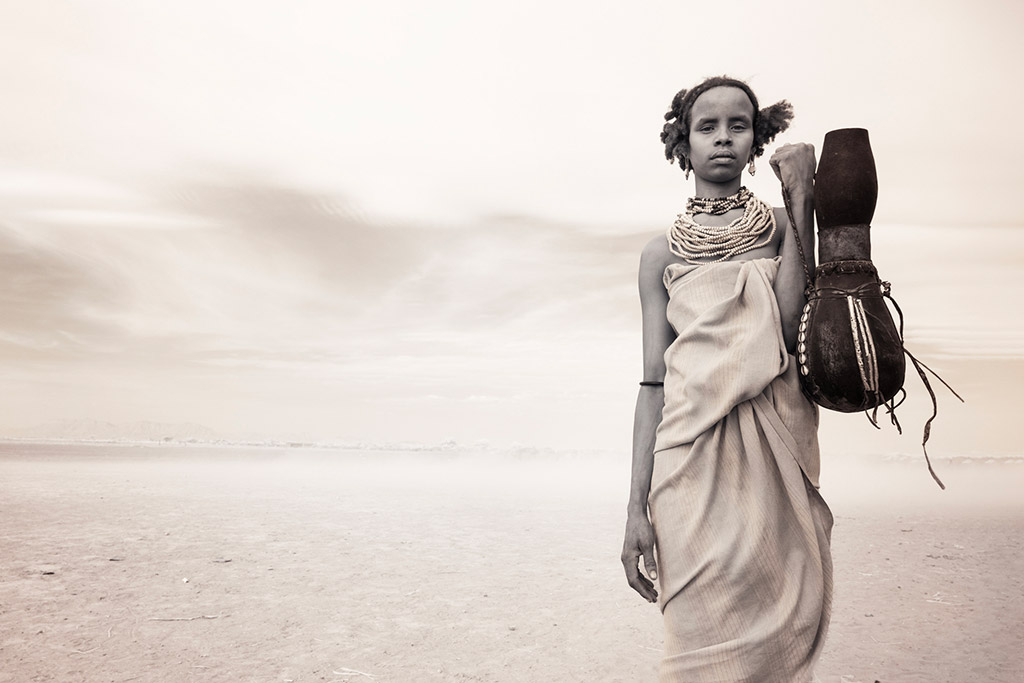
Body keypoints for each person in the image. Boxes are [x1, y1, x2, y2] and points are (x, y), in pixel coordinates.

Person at [620, 75, 834, 682]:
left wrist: (801, 199)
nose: (722, 138)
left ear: (756, 139)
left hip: (773, 448)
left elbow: (792, 319)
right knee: (694, 632)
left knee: (777, 626)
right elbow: (653, 384)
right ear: (681, 144)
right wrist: (635, 508)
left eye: (738, 125)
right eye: (706, 127)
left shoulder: (775, 224)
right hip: (686, 461)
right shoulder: (659, 254)